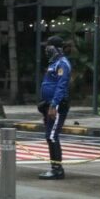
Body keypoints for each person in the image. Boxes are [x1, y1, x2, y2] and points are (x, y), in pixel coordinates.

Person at [38, 35, 71, 180]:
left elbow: (61, 86)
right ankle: (54, 167)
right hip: (49, 105)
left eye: (49, 47)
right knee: (49, 136)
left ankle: (57, 169)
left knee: (52, 136)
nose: (46, 49)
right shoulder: (53, 63)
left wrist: (53, 105)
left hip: (57, 105)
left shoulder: (62, 64)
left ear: (56, 48)